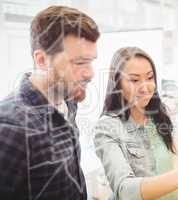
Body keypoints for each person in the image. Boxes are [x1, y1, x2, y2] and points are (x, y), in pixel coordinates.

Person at [93, 47, 178, 200]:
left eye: (150, 77)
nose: (145, 87)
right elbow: (125, 190)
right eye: (134, 80)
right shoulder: (107, 127)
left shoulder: (160, 116)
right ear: (117, 83)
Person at [0, 6, 99, 200]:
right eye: (79, 63)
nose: (90, 73)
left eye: (91, 61)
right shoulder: (10, 128)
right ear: (42, 59)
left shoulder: (68, 100)